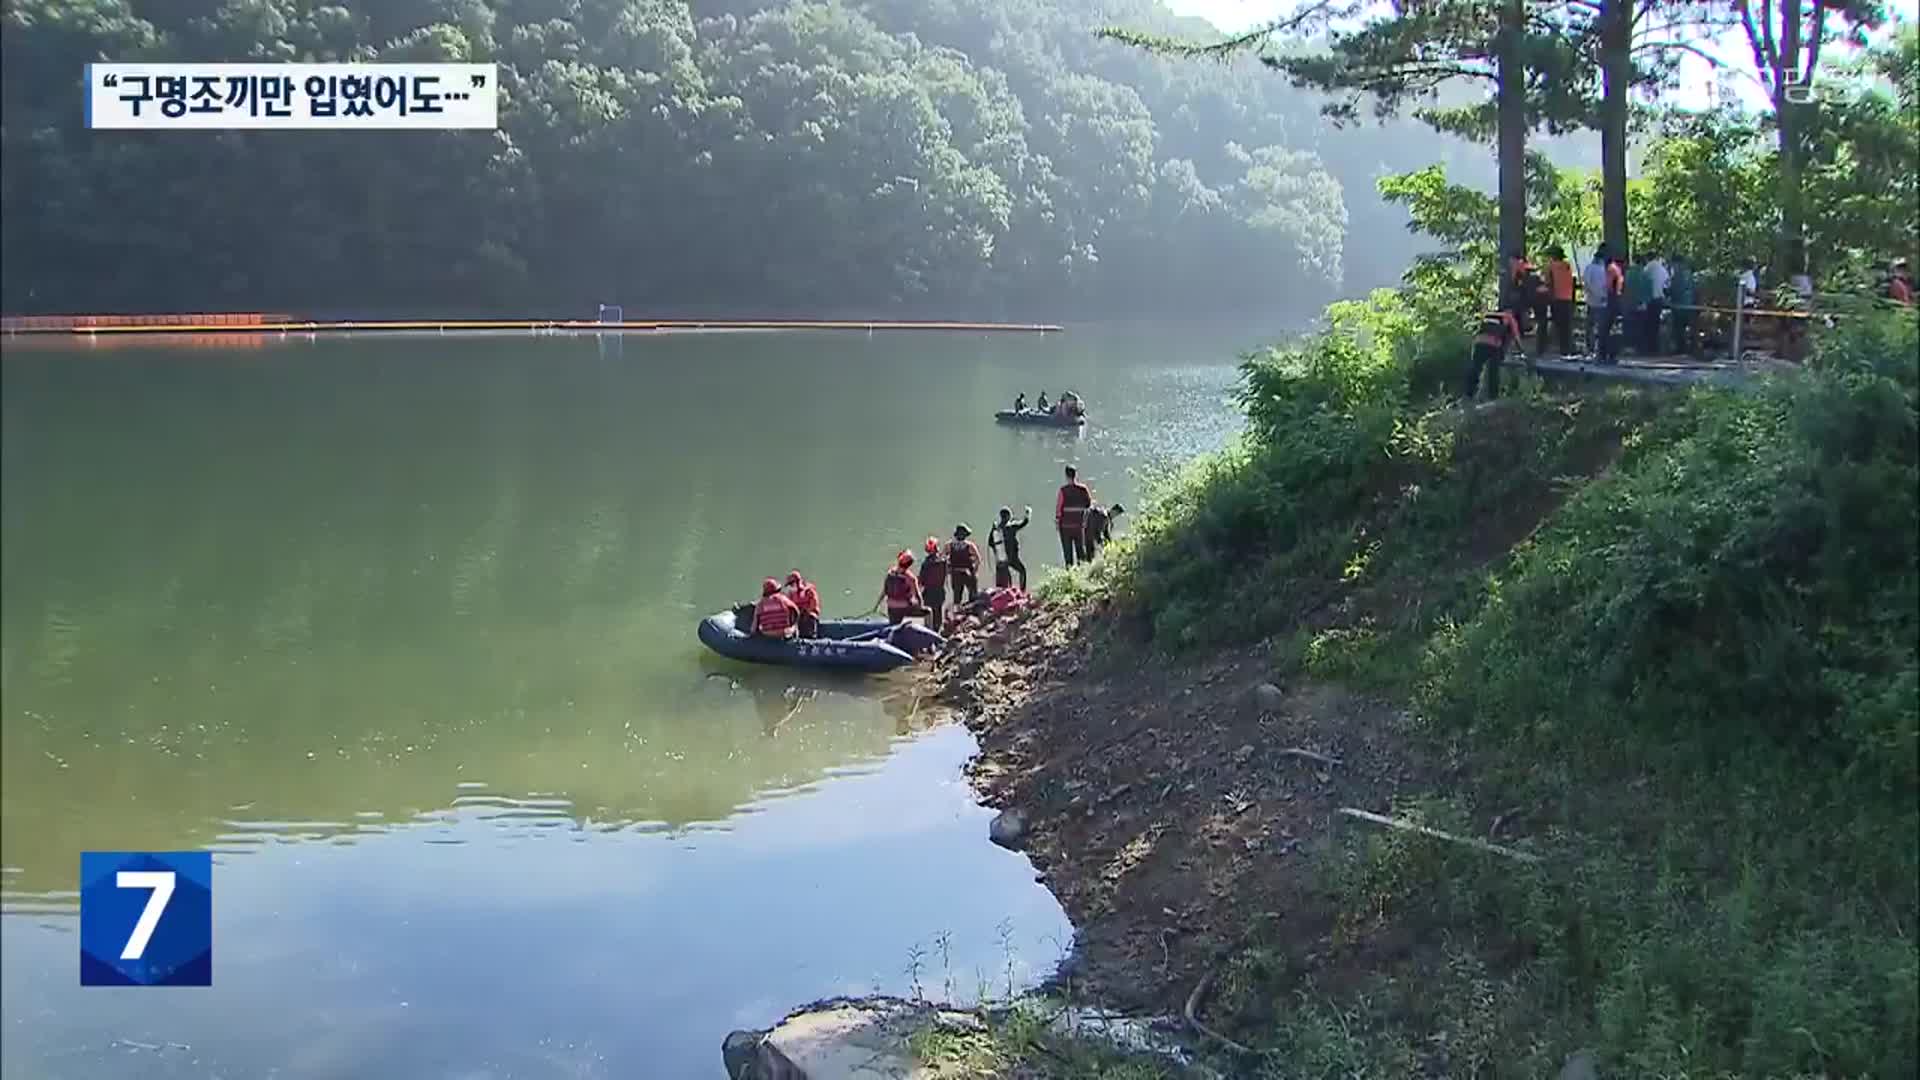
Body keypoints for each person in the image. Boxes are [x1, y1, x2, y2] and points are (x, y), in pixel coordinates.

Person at [1464, 303, 1524, 401]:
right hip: (1493, 344)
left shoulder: (1489, 314)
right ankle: (1493, 397)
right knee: (1493, 371)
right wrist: (1521, 350)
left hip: (1479, 342)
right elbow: (1516, 336)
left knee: (1475, 368)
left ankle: (1468, 394)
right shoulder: (1509, 317)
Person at [1055, 465, 1093, 566]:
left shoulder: (1063, 491)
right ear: (1075, 475)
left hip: (1065, 527)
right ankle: (1082, 574)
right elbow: (1089, 505)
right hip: (1079, 526)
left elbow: (1059, 509)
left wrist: (1057, 524)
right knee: (1081, 553)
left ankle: (1070, 576)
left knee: (1068, 555)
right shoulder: (1083, 489)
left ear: (1066, 476)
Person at [988, 505, 1031, 589]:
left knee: (1004, 580)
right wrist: (1028, 513)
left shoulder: (996, 529)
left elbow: (990, 542)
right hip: (1012, 557)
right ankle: (1022, 591)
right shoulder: (1012, 526)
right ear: (1008, 516)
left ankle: (1004, 594)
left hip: (1001, 558)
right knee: (1022, 571)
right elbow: (1024, 522)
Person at [878, 551, 926, 626]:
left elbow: (884, 591)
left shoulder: (890, 573)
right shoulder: (910, 578)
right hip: (904, 607)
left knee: (893, 622)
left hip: (891, 607)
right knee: (927, 611)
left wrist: (878, 604)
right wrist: (921, 606)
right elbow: (918, 596)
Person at [1545, 246, 1577, 356]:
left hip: (1557, 299)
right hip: (1567, 298)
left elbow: (1548, 282)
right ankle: (1569, 348)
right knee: (1567, 325)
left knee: (1557, 324)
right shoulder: (1567, 266)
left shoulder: (1551, 267)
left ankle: (1557, 348)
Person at [1582, 246, 1612, 356]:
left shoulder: (1592, 269)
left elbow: (1587, 284)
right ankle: (1594, 347)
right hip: (1598, 301)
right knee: (1596, 326)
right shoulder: (1600, 269)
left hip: (1594, 300)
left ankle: (1594, 348)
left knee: (1594, 326)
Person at [1667, 254, 1697, 355]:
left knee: (1678, 328)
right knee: (1688, 327)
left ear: (1676, 263)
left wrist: (1668, 293)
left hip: (1680, 305)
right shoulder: (1689, 273)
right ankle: (1691, 348)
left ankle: (1681, 348)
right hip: (1690, 304)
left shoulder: (1678, 275)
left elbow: (1675, 290)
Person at [917, 538, 948, 631]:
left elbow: (921, 581)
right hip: (940, 590)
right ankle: (937, 631)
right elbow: (945, 574)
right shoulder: (943, 561)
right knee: (938, 611)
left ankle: (928, 631)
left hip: (928, 592)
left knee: (928, 612)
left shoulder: (925, 564)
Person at [946, 524, 981, 607]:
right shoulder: (970, 545)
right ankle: (973, 613)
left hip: (955, 574)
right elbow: (978, 560)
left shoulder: (949, 545)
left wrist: (948, 570)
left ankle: (956, 614)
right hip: (968, 573)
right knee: (973, 596)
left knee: (957, 597)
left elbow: (943, 558)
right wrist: (974, 572)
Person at [1645, 251, 1670, 354]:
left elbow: (1644, 282)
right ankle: (1657, 348)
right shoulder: (1662, 269)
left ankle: (1651, 348)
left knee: (1649, 325)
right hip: (1660, 299)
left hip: (1651, 300)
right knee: (1656, 324)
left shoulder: (1647, 268)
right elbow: (1667, 284)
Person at [783, 570, 822, 639]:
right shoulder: (791, 594)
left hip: (808, 615)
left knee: (810, 617)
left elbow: (814, 605)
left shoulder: (809, 591)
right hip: (797, 616)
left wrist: (804, 611)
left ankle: (811, 637)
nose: (791, 586)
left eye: (791, 584)